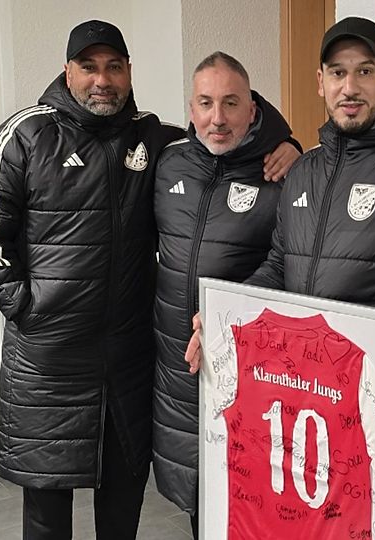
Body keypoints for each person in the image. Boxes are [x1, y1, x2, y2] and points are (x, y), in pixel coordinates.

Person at [0, 20, 296, 539]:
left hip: (128, 366)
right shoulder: (24, 134)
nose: (102, 79)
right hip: (49, 366)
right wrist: (30, 308)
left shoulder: (151, 139)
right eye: (89, 67)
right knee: (47, 519)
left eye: (114, 67)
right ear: (67, 71)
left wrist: (284, 138)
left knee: (122, 510)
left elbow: (220, 124)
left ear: (129, 72)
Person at [186, 17, 375, 539]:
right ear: (320, 82)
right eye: (338, 73)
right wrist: (225, 319)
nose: (350, 87)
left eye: (364, 71)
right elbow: (279, 265)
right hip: (304, 414)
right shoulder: (305, 170)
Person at [150, 51, 297, 538]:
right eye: (206, 103)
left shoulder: (281, 173)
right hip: (178, 374)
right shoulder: (168, 163)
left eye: (231, 103)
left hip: (251, 373)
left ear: (253, 109)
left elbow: (289, 271)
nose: (218, 118)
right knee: (202, 502)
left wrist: (290, 141)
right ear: (190, 109)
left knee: (257, 505)